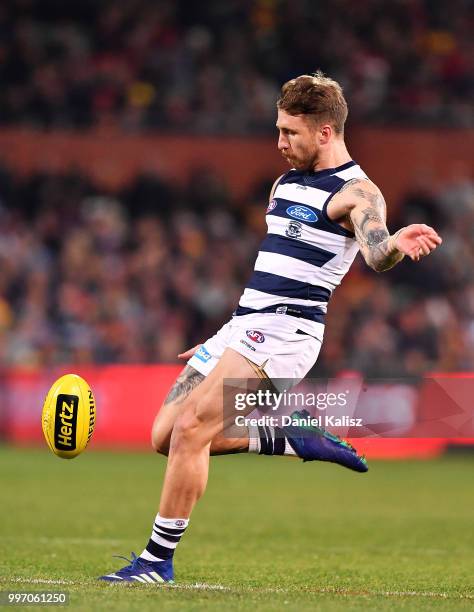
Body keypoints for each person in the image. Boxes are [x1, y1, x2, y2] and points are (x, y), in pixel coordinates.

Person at [99, 73, 442, 583]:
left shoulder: (356, 193)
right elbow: (275, 265)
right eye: (278, 129)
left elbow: (375, 252)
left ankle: (155, 562)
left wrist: (396, 243)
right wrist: (227, 335)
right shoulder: (284, 183)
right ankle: (288, 435)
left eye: (290, 132)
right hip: (244, 325)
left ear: (325, 132)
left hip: (287, 335)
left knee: (193, 429)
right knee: (165, 436)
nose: (280, 142)